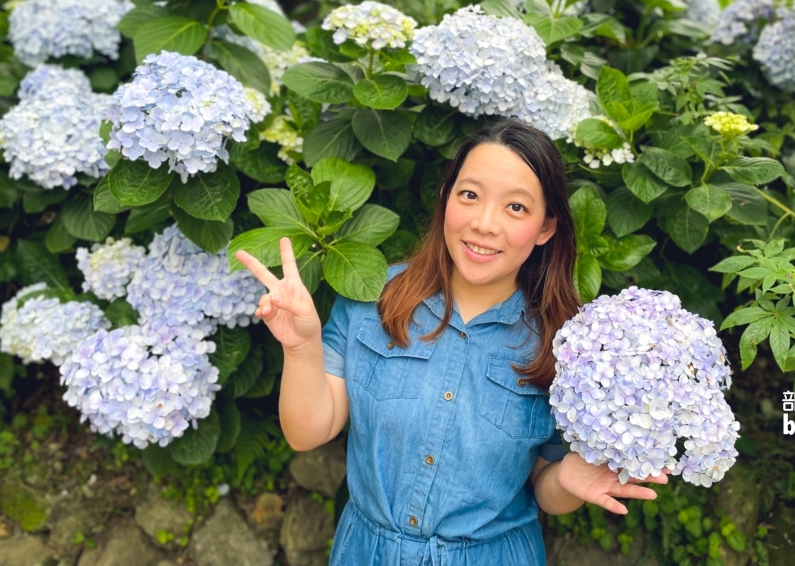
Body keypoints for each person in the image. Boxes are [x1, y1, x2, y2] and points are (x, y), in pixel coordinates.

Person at [235, 118, 669, 565]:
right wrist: (300, 348)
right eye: (470, 195)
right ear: (445, 200)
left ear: (545, 228)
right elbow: (308, 432)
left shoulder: (565, 346)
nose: (484, 224)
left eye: (516, 208)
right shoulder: (372, 300)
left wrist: (568, 480)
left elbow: (545, 487)